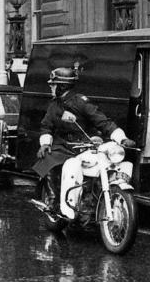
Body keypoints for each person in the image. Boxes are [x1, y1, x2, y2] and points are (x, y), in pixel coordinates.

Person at [34, 67, 135, 220]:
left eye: (53, 84)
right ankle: (53, 202)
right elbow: (46, 126)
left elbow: (103, 122)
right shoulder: (54, 105)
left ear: (61, 86)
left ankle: (92, 199)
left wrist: (122, 139)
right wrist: (45, 143)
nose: (51, 87)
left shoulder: (81, 102)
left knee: (106, 165)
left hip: (84, 145)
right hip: (63, 146)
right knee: (48, 159)